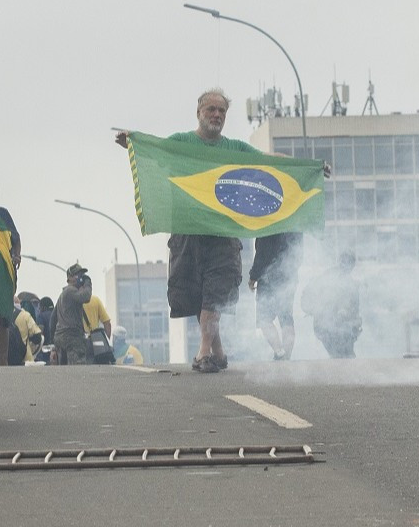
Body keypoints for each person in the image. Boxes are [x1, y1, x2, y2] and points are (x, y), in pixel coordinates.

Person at [115, 88, 261, 373]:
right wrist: (133, 143)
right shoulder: (181, 143)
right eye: (211, 109)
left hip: (222, 234)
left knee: (215, 292)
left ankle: (203, 353)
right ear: (199, 112)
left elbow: (270, 163)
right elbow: (153, 151)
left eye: (222, 111)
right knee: (197, 292)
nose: (216, 115)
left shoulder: (235, 149)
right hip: (187, 232)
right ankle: (218, 351)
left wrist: (312, 168)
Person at [249, 232, 303, 361]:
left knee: (264, 319)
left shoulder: (270, 221)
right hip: (289, 276)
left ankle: (279, 351)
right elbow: (298, 255)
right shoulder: (294, 221)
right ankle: (287, 356)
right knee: (286, 317)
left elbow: (262, 252)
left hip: (268, 276)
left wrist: (253, 276)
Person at [302, 251, 364, 360]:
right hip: (332, 326)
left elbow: (306, 297)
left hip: (325, 326)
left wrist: (312, 310)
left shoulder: (326, 276)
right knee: (345, 356)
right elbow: (350, 308)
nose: (346, 266)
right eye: (345, 262)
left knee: (340, 355)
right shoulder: (347, 282)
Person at [53, 263, 93, 365]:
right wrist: (88, 283)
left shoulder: (63, 294)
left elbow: (53, 318)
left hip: (61, 336)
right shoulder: (70, 291)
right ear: (69, 278)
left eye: (81, 275)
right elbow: (86, 297)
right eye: (77, 275)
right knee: (77, 369)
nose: (80, 278)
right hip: (72, 337)